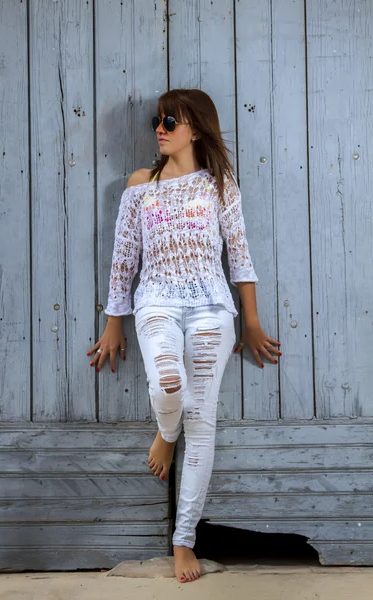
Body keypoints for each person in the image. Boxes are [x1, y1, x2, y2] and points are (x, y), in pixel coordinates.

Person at [87, 88, 281, 583]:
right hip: (157, 303)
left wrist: (251, 321)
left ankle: (183, 540)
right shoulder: (139, 184)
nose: (161, 127)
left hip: (212, 310)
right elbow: (124, 259)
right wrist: (114, 321)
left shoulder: (219, 185)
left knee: (203, 420)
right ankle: (166, 432)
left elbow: (240, 256)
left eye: (171, 120)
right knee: (166, 385)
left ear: (196, 128)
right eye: (158, 119)